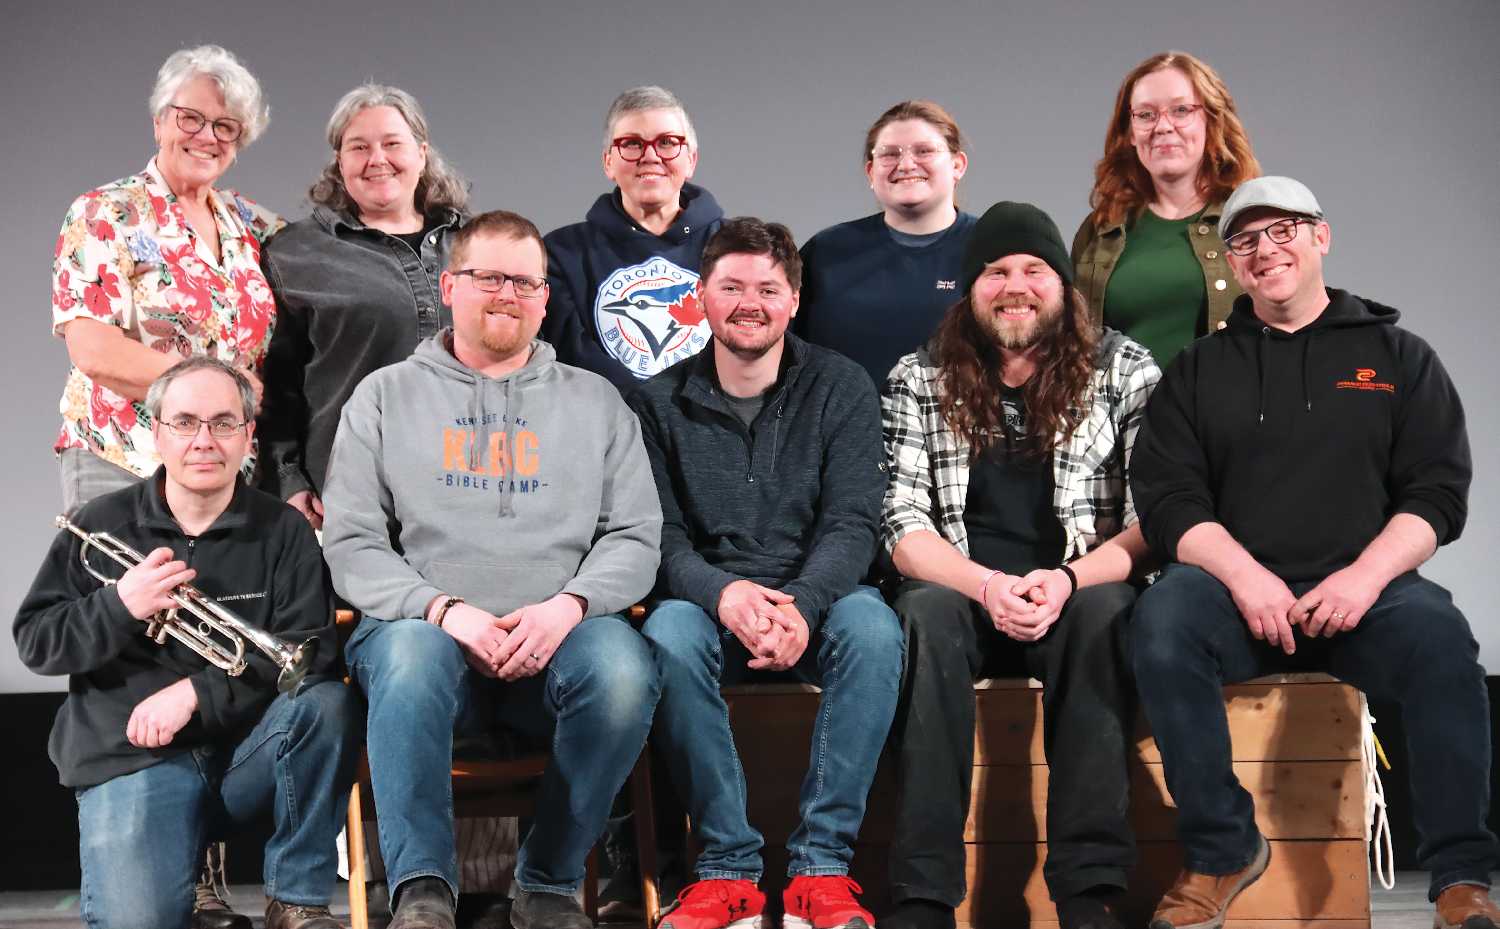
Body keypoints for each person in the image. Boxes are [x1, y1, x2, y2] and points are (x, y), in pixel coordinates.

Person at [1129, 176, 1499, 929]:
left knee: (1442, 639)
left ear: (1320, 236)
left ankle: (1462, 875)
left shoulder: (1400, 355)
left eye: (1282, 231)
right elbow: (1170, 500)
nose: (1265, 251)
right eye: (1245, 240)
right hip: (1236, 592)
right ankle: (1221, 846)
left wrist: (1363, 578)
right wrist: (1245, 577)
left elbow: (1438, 494)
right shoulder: (1198, 370)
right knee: (1161, 619)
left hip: (1364, 592)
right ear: (1230, 261)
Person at [322, 210, 664, 929]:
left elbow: (634, 536)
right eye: (488, 277)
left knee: (626, 671)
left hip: (560, 641)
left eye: (525, 281)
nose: (507, 293)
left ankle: (547, 882)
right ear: (449, 286)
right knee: (409, 656)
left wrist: (567, 606)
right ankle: (422, 890)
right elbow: (351, 542)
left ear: (545, 298)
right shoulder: (382, 397)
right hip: (431, 644)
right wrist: (445, 610)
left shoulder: (597, 402)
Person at [880, 202, 1159, 929]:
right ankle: (922, 895)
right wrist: (987, 585)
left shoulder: (1123, 370)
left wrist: (1066, 580)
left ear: (1064, 286)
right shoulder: (920, 375)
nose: (1015, 285)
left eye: (1034, 270)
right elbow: (901, 522)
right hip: (964, 589)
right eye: (996, 270)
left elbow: (1151, 519)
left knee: (1107, 612)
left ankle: (1088, 891)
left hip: (1075, 588)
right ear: (970, 288)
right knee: (920, 613)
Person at [14, 357, 357, 929]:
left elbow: (309, 652)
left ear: (249, 435)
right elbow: (37, 643)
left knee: (326, 704)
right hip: (134, 759)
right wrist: (120, 605)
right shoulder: (102, 524)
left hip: (243, 755)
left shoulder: (283, 530)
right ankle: (185, 879)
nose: (204, 441)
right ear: (157, 432)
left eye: (223, 423)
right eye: (185, 423)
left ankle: (295, 897)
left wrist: (196, 694)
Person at [629, 217, 903, 929]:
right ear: (700, 297)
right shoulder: (656, 400)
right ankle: (727, 874)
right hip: (710, 602)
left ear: (794, 298)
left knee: (875, 630)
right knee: (665, 631)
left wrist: (803, 605)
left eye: (767, 288)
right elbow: (659, 535)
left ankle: (821, 870)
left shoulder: (840, 385)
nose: (749, 302)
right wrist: (723, 594)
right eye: (731, 286)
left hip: (819, 596)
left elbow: (853, 522)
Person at [53, 45, 282, 514]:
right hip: (123, 459)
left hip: (226, 473)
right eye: (190, 118)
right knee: (131, 590)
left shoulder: (253, 226)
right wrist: (221, 387)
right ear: (159, 122)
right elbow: (95, 352)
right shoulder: (105, 213)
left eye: (225, 126)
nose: (207, 136)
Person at [257, 83, 469, 529]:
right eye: (358, 147)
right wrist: (289, 479)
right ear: (340, 161)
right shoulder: (294, 254)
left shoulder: (475, 245)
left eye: (393, 143)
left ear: (422, 152)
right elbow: (276, 386)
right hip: (348, 497)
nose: (377, 159)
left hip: (472, 492)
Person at [1071, 50, 1260, 366]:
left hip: (1221, 410)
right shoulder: (1101, 228)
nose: (1163, 126)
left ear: (1212, 120)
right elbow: (1070, 343)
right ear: (1130, 132)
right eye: (1145, 114)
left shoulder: (1248, 221)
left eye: (1181, 110)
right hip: (1122, 414)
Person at [541, 85, 724, 390]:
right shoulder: (560, 254)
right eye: (632, 143)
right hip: (604, 430)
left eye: (667, 142)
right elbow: (570, 360)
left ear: (691, 159)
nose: (650, 156)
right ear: (608, 162)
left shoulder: (738, 248)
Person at [796, 100, 976, 386]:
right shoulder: (826, 252)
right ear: (870, 171)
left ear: (957, 165)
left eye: (924, 151)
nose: (905, 164)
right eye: (889, 154)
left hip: (956, 429)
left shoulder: (990, 248)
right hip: (840, 430)